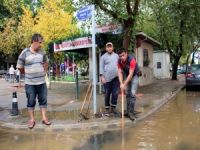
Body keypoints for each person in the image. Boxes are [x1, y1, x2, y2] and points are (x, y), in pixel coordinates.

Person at [16, 33, 51, 129]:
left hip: (41, 82)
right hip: (30, 83)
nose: (40, 44)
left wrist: (45, 70)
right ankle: (32, 119)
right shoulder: (25, 52)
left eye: (41, 43)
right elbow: (19, 66)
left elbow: (46, 62)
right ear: (34, 41)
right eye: (39, 42)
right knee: (31, 101)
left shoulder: (42, 52)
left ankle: (44, 118)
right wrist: (26, 73)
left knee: (43, 100)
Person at [117, 48, 140, 121]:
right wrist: (121, 83)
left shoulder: (132, 60)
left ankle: (131, 112)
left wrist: (124, 84)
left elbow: (131, 74)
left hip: (134, 75)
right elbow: (120, 72)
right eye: (120, 56)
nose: (122, 57)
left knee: (132, 93)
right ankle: (127, 111)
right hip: (127, 75)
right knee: (127, 92)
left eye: (123, 55)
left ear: (126, 53)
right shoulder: (119, 61)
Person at [100, 42, 119, 116]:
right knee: (107, 94)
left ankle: (113, 108)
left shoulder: (117, 56)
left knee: (115, 93)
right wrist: (102, 77)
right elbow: (101, 67)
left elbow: (119, 65)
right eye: (108, 47)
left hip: (116, 78)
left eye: (110, 46)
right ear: (106, 48)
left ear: (113, 48)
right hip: (106, 79)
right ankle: (107, 109)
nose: (109, 48)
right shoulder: (103, 57)